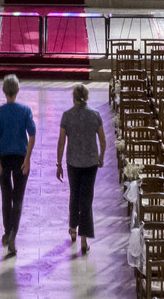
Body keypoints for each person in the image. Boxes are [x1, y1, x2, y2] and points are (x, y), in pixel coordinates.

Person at [55, 81, 106, 255]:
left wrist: (59, 163)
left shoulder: (67, 116)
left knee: (74, 195)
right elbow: (103, 140)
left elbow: (61, 141)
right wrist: (101, 156)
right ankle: (84, 238)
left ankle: (73, 229)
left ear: (74, 97)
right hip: (90, 162)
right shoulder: (95, 114)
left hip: (73, 162)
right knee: (87, 198)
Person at [0, 72, 36, 255]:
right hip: (20, 157)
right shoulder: (25, 111)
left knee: (6, 196)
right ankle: (13, 234)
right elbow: (32, 135)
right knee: (18, 198)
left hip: (4, 157)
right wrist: (28, 157)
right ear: (17, 91)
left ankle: (7, 231)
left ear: (3, 91)